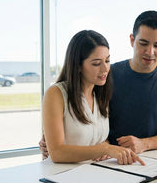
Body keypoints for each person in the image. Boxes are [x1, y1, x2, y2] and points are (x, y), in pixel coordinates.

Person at [40, 11, 157, 158]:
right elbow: (66, 139)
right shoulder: (106, 78)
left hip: (129, 160)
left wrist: (142, 144)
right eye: (143, 43)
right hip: (104, 162)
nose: (150, 52)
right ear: (132, 40)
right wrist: (53, 140)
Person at [42, 30, 144, 165]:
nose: (105, 69)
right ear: (78, 65)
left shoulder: (99, 94)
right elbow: (57, 153)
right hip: (62, 175)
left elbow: (96, 141)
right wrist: (104, 149)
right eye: (96, 63)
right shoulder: (56, 94)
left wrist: (104, 149)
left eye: (107, 60)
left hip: (93, 173)